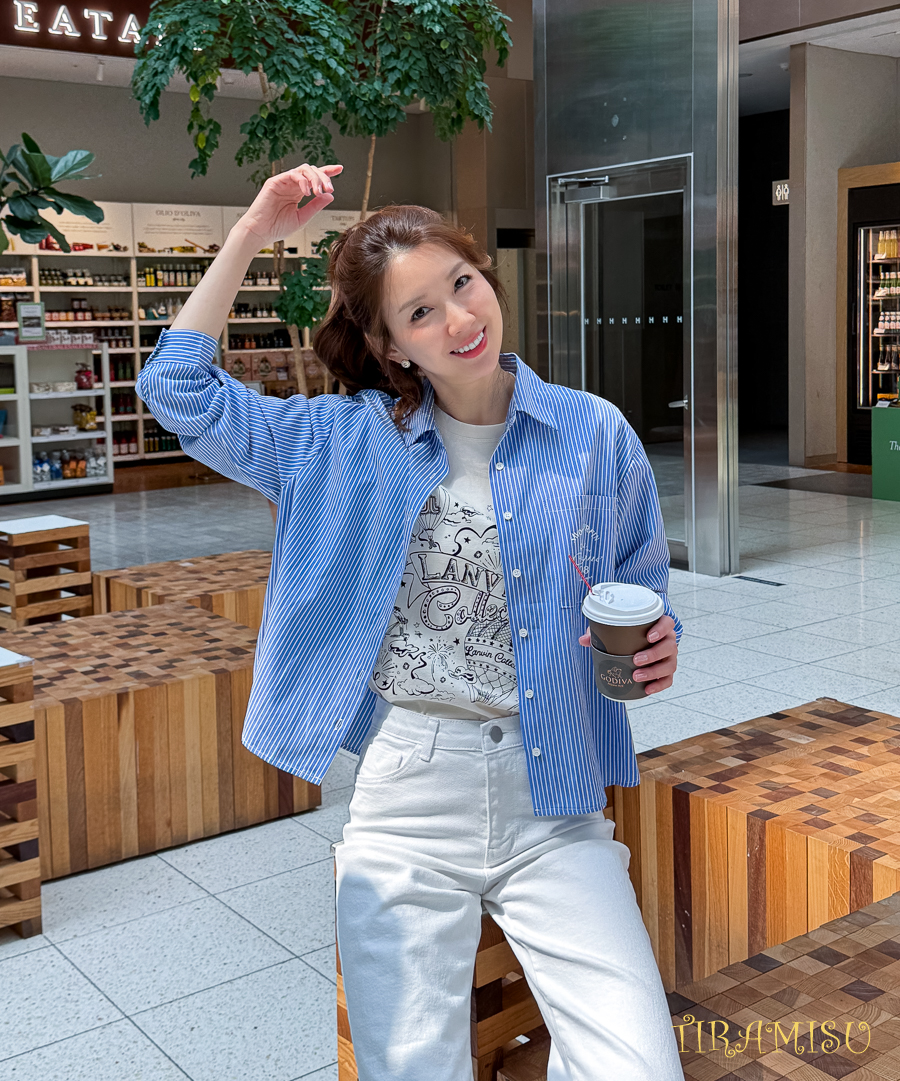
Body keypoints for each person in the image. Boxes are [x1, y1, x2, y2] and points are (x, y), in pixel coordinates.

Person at [136, 164, 683, 1081]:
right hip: (407, 792)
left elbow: (640, 582)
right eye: (421, 312)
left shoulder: (592, 431)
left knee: (638, 1066)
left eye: (462, 283)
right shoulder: (341, 441)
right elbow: (179, 391)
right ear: (391, 346)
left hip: (554, 786)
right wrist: (251, 233)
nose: (461, 320)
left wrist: (659, 643)